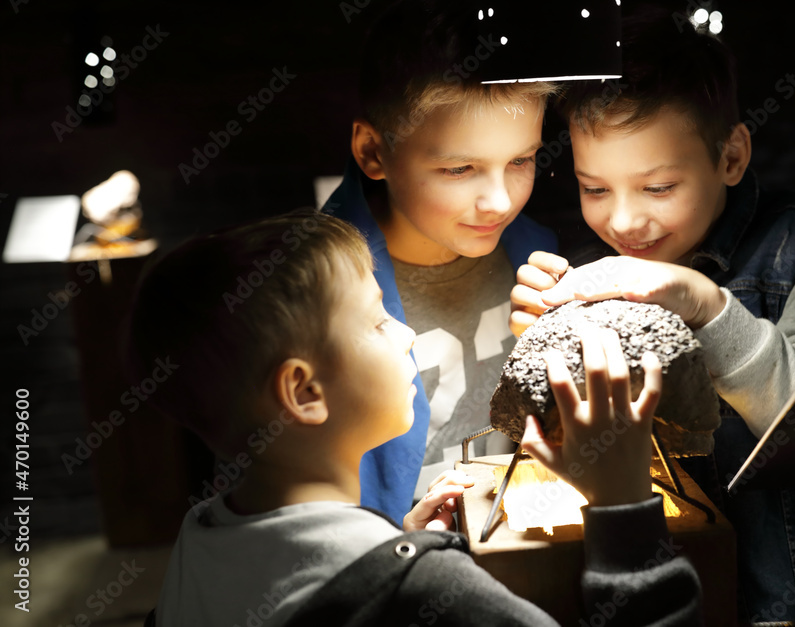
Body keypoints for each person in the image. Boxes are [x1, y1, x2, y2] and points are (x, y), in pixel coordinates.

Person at [125, 210, 701, 627]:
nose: (404, 335)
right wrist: (624, 511)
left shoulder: (200, 541)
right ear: (303, 392)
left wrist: (395, 545)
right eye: (378, 322)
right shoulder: (423, 589)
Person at [510, 8, 795, 626]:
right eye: (595, 189)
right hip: (656, 600)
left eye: (658, 188)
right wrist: (546, 354)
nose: (624, 223)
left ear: (732, 156)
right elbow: (578, 456)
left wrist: (706, 307)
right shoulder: (593, 269)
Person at [320, 0, 558, 523]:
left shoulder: (543, 258)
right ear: (372, 152)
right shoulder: (306, 302)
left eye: (521, 160)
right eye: (458, 169)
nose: (499, 201)